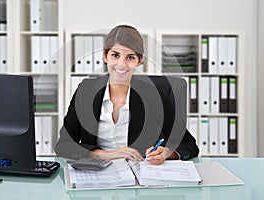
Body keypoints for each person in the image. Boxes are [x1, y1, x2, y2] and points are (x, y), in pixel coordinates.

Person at [55, 25, 199, 165]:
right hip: (96, 174)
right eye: (115, 55)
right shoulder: (85, 91)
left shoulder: (154, 96)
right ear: (105, 56)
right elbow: (64, 145)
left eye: (130, 57)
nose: (121, 64)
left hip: (138, 178)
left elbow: (189, 145)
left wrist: (167, 153)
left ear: (139, 61)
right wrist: (105, 154)